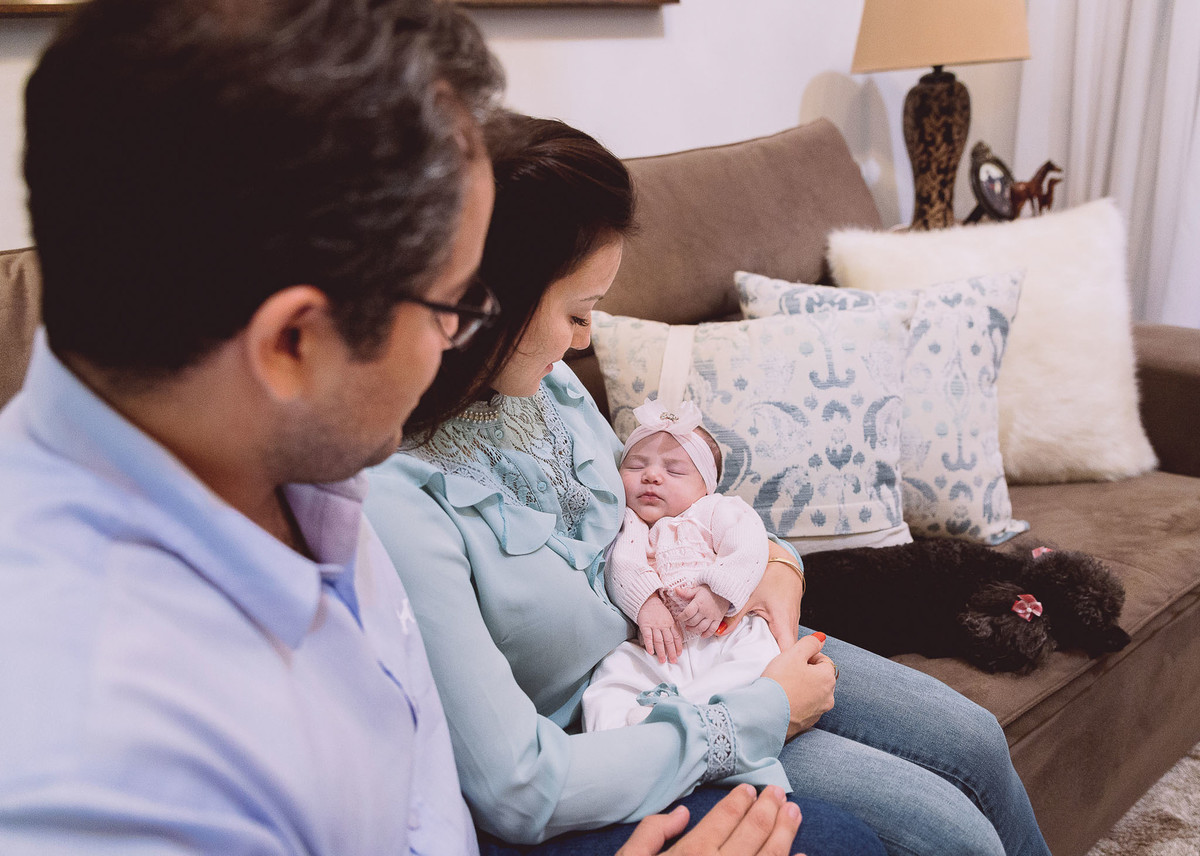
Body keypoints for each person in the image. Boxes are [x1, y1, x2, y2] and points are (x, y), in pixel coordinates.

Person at [0, 3, 810, 855]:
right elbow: (510, 785)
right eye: (451, 308)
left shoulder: (288, 463)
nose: (459, 350)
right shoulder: (98, 765)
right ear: (292, 344)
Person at [366, 108, 1052, 856]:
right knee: (950, 832)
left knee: (973, 737)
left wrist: (778, 563)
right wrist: (762, 713)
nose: (585, 339)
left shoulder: (544, 384)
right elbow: (519, 787)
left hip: (720, 638)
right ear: (488, 301)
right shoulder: (399, 499)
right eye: (577, 312)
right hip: (635, 724)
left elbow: (663, 509)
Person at [582, 398, 784, 737]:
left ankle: (677, 711)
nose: (651, 476)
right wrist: (646, 604)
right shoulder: (628, 523)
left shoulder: (714, 510)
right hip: (659, 647)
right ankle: (618, 738)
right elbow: (622, 566)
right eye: (635, 466)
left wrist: (719, 591)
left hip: (723, 635)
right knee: (612, 673)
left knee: (761, 659)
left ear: (705, 487)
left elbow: (749, 544)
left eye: (674, 471)